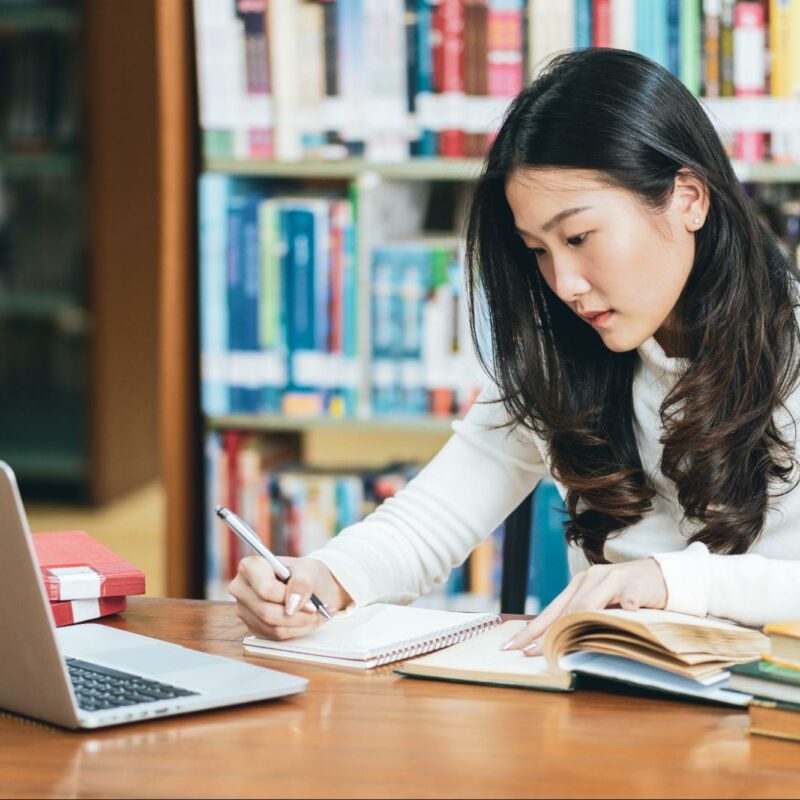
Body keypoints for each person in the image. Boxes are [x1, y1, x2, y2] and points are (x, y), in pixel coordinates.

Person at [230, 48, 800, 653]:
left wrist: (670, 579)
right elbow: (434, 516)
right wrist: (325, 577)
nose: (566, 283)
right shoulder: (564, 357)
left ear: (688, 198)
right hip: (608, 701)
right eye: (539, 250)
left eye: (580, 237)